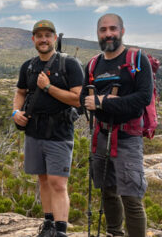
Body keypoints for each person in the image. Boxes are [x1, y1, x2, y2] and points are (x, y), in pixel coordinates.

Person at [82, 14, 152, 237]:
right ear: (98, 33)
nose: (108, 33)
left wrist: (102, 102)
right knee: (107, 191)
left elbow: (143, 97)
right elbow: (85, 97)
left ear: (122, 31)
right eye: (103, 30)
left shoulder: (137, 59)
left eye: (113, 29)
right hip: (101, 135)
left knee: (131, 196)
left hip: (128, 137)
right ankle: (115, 233)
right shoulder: (93, 64)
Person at [13, 20, 84, 237]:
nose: (43, 39)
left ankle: (61, 230)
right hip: (34, 131)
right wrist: (16, 112)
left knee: (58, 183)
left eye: (48, 35)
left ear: (54, 38)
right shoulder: (28, 66)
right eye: (39, 35)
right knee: (43, 179)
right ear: (33, 39)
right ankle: (49, 224)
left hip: (59, 131)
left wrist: (49, 87)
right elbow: (21, 92)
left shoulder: (69, 64)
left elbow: (78, 99)